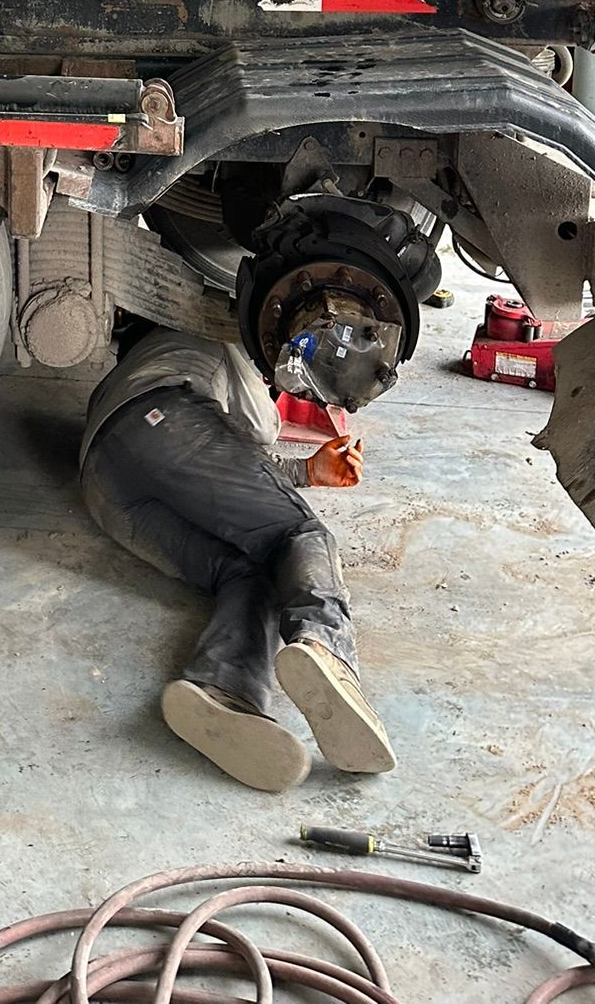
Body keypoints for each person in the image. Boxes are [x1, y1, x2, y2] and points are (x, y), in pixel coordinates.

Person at [79, 323, 392, 792]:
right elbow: (258, 429)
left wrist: (307, 469)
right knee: (297, 532)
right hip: (165, 420)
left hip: (104, 484)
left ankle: (224, 692)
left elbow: (214, 462)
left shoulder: (138, 364)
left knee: (252, 570)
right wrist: (302, 467)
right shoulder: (211, 335)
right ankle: (327, 645)